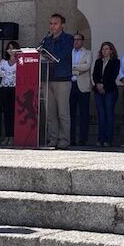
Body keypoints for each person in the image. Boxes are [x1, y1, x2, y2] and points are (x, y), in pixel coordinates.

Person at [42, 13, 74, 149]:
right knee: (50, 112)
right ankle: (53, 139)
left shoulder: (68, 38)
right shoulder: (46, 40)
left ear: (62, 25)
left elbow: (63, 54)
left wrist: (51, 57)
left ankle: (64, 140)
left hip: (62, 78)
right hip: (47, 78)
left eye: (55, 23)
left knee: (63, 112)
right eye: (51, 23)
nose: (52, 26)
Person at [92, 42, 120, 147]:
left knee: (109, 114)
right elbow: (95, 74)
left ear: (111, 50)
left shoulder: (115, 62)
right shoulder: (98, 61)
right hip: (98, 90)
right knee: (101, 115)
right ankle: (100, 138)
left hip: (110, 90)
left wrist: (104, 86)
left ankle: (108, 139)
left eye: (107, 49)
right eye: (103, 49)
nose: (104, 51)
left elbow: (113, 76)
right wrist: (98, 84)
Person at [70, 33, 92, 145]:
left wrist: (73, 67)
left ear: (82, 41)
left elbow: (87, 66)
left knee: (84, 114)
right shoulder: (69, 52)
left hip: (83, 86)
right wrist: (78, 68)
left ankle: (83, 139)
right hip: (71, 85)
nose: (76, 41)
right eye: (74, 39)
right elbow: (66, 66)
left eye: (78, 39)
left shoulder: (87, 53)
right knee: (71, 114)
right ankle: (71, 138)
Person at [0, 40, 20, 146]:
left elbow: (19, 74)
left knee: (14, 113)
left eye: (13, 48)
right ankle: (7, 135)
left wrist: (8, 73)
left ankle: (13, 137)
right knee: (6, 113)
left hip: (15, 89)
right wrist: (11, 73)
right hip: (5, 88)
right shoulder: (3, 61)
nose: (11, 50)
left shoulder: (20, 61)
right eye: (9, 48)